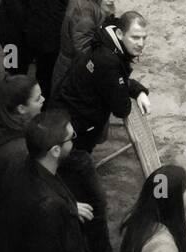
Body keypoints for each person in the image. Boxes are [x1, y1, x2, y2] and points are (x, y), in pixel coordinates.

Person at [0, 74, 116, 252]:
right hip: (7, 240)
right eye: (37, 98)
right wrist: (68, 207)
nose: (44, 99)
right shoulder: (19, 153)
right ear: (21, 108)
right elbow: (29, 199)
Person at [1, 110, 90, 252]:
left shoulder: (26, 164)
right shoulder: (48, 206)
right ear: (55, 150)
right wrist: (63, 210)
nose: (73, 141)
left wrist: (69, 207)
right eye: (71, 138)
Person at [53, 10, 151, 152]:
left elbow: (112, 82)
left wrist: (138, 91)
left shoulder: (105, 42)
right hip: (76, 128)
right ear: (119, 34)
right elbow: (122, 108)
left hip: (66, 112)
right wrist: (133, 90)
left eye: (144, 38)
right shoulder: (108, 62)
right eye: (135, 38)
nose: (141, 44)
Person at [52, 0, 117, 96]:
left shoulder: (84, 0)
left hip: (68, 67)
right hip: (70, 72)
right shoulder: (84, 17)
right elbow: (84, 51)